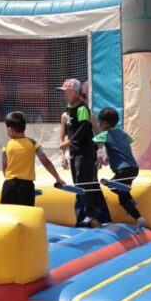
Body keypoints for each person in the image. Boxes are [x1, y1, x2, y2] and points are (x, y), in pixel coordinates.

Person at [58, 78, 109, 227]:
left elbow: (88, 129)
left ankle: (92, 214)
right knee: (80, 183)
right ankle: (86, 217)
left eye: (66, 92)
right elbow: (63, 137)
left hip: (86, 152)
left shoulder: (83, 109)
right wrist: (63, 155)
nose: (64, 95)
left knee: (86, 182)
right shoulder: (67, 113)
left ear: (75, 92)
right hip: (74, 152)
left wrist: (100, 153)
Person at [94, 107, 146, 230]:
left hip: (123, 170)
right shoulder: (123, 133)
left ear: (105, 123)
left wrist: (99, 158)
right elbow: (124, 144)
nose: (99, 124)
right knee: (115, 187)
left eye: (100, 122)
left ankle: (139, 218)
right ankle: (131, 200)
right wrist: (110, 158)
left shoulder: (104, 134)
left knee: (121, 197)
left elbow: (96, 143)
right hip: (133, 168)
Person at [1, 111, 66, 206]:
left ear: (10, 130)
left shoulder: (7, 146)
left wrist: (8, 179)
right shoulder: (33, 144)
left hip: (9, 185)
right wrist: (57, 178)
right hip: (26, 187)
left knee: (8, 213)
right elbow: (46, 162)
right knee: (27, 214)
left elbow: (4, 167)